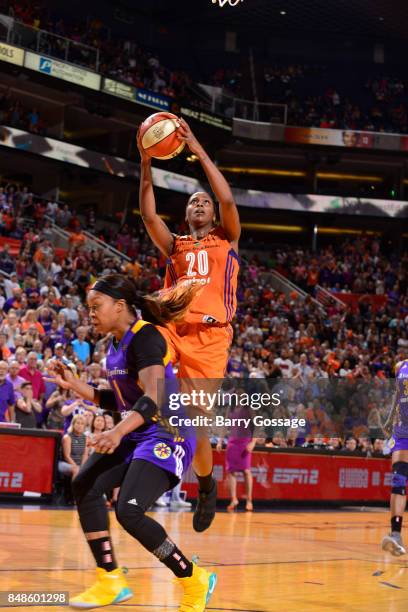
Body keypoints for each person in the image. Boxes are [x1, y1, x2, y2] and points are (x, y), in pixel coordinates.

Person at [47, 274, 217, 610]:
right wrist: (76, 385)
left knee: (129, 510)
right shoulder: (113, 347)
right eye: (88, 308)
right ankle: (110, 578)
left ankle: (194, 579)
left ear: (120, 306)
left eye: (96, 306)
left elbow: (153, 398)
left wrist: (116, 432)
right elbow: (124, 401)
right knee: (85, 484)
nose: (90, 314)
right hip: (138, 430)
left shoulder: (146, 337)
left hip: (169, 433)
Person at [138, 116, 241, 532]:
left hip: (211, 338)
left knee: (195, 426)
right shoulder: (175, 246)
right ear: (186, 215)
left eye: (204, 202)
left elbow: (229, 201)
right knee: (146, 375)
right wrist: (145, 162)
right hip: (173, 331)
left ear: (213, 213)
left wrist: (196, 147)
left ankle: (205, 484)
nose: (199, 204)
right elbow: (147, 217)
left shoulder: (227, 237)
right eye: (192, 202)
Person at [382, 359, 408, 556]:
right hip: (402, 431)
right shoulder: (401, 366)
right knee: (399, 479)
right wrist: (390, 420)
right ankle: (395, 535)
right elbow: (397, 396)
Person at [59, 413, 89, 479]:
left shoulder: (86, 438)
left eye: (82, 424)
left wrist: (82, 467)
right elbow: (67, 456)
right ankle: (74, 489)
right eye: (77, 423)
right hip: (66, 463)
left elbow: (85, 455)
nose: (80, 425)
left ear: (84, 426)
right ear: (73, 424)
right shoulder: (67, 437)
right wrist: (77, 467)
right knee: (76, 470)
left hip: (80, 464)